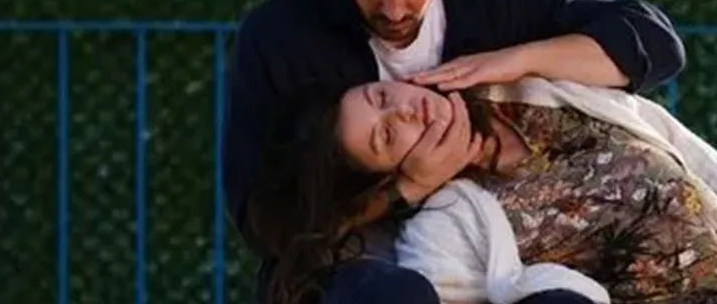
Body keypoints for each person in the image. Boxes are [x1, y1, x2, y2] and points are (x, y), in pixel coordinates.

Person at [225, 0, 687, 304]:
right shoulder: (280, 36)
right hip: (357, 271)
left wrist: (516, 59)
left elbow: (655, 44)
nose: (394, 11)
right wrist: (406, 189)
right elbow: (267, 225)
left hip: (502, 254)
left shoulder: (497, 2)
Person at [246, 79, 717, 304]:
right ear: (387, 176)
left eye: (382, 97)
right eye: (387, 136)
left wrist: (517, 60)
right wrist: (411, 188)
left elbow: (682, 146)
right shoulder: (446, 225)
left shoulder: (522, 91)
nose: (403, 112)